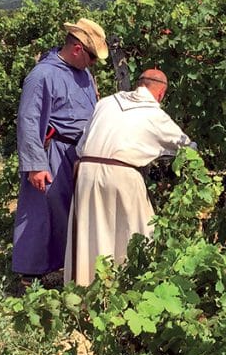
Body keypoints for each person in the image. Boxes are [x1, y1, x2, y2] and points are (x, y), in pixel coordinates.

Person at [64, 68, 194, 286]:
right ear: (161, 94)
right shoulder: (155, 115)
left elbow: (82, 145)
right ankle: (128, 286)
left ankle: (85, 287)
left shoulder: (105, 103)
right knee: (137, 232)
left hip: (85, 171)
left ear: (138, 85)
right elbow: (185, 146)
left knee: (90, 232)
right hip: (121, 174)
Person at [11, 17, 107, 284]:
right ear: (77, 49)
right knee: (42, 210)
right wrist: (35, 165)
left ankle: (62, 265)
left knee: (69, 210)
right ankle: (30, 273)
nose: (93, 63)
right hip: (52, 153)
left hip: (77, 153)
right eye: (91, 57)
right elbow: (29, 120)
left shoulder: (84, 73)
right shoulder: (42, 75)